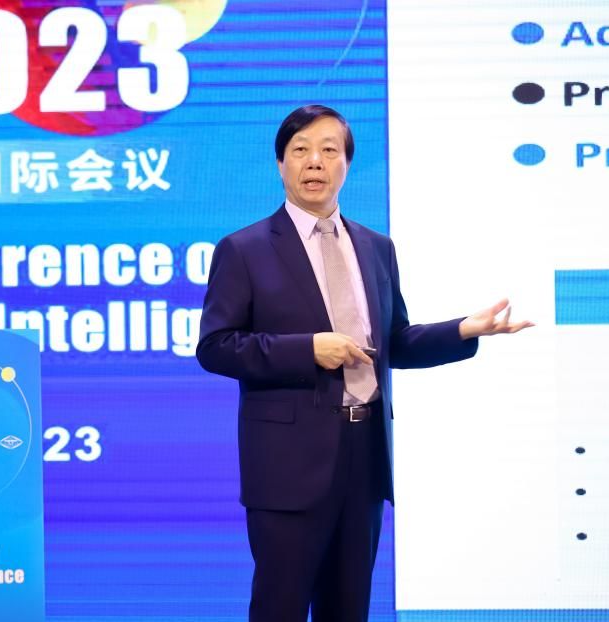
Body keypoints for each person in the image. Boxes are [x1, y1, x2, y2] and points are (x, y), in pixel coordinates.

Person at [195, 104, 532, 622]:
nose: (315, 161)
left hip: (364, 456)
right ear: (281, 163)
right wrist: (307, 349)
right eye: (301, 150)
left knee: (349, 608)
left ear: (346, 164)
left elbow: (395, 343)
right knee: (280, 607)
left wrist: (464, 329)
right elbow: (216, 346)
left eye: (329, 150)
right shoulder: (244, 249)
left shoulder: (376, 247)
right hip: (287, 466)